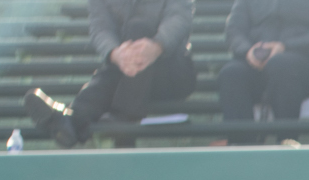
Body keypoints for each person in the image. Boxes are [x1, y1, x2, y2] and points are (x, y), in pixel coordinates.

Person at [22, 0, 198, 148]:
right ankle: (76, 121)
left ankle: (78, 117)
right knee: (115, 68)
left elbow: (179, 18)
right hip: (122, 74)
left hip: (171, 73)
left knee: (138, 28)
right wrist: (115, 54)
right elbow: (100, 28)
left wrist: (157, 46)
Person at [221, 0, 309, 142]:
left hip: (307, 65)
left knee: (281, 65)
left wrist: (284, 47)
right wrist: (248, 50)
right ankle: (241, 148)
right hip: (257, 63)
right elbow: (234, 30)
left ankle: (286, 142)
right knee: (231, 74)